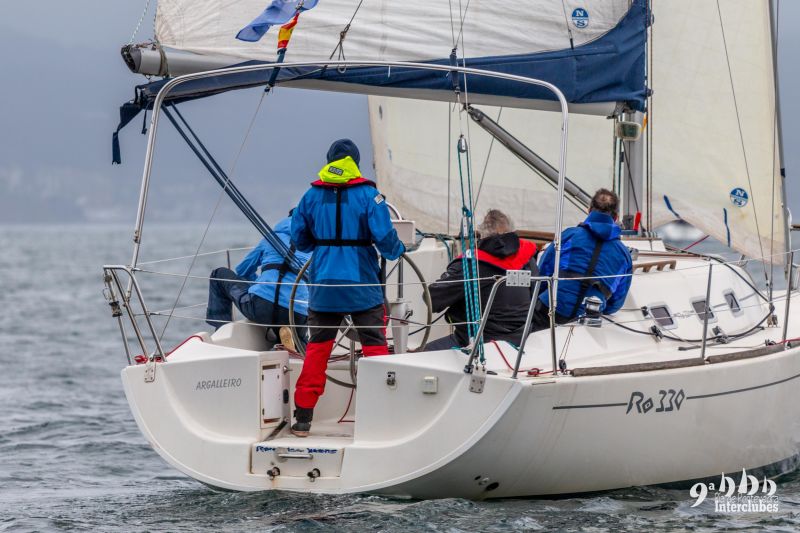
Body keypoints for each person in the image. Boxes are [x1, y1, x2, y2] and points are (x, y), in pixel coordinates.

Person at [290, 139, 405, 437]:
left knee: (317, 349)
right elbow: (386, 239)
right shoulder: (369, 195)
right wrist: (399, 250)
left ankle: (303, 418)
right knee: (375, 346)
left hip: (324, 287)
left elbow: (300, 239)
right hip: (362, 285)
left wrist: (322, 243)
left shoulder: (310, 196)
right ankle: (382, 415)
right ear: (355, 162)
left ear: (330, 161)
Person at [426, 210, 538, 351]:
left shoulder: (471, 264)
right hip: (520, 341)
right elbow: (536, 298)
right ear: (512, 231)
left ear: (482, 234)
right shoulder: (528, 259)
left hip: (480, 343)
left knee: (420, 355)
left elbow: (432, 300)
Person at [530, 188, 633, 331]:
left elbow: (542, 275)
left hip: (549, 311)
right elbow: (616, 303)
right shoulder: (624, 255)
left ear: (589, 210)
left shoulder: (568, 236)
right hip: (587, 322)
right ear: (615, 218)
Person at [205, 214, 310, 345]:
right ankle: (294, 341)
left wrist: (258, 283)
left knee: (218, 274)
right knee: (297, 329)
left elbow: (242, 270)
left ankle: (221, 331)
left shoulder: (270, 239)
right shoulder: (312, 248)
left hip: (261, 307)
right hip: (296, 314)